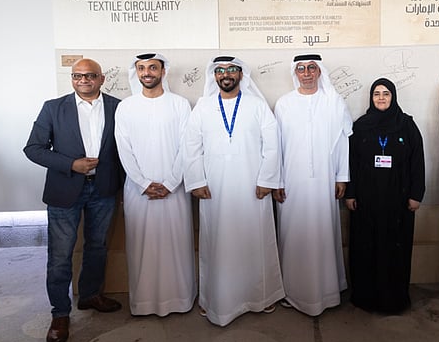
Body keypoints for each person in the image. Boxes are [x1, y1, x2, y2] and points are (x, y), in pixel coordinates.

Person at [24, 58, 123, 342]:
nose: (83, 80)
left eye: (90, 75)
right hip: (64, 189)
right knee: (60, 255)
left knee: (97, 246)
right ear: (72, 79)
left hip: (103, 189)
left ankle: (90, 295)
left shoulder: (118, 107)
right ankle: (60, 314)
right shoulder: (53, 108)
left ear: (101, 78)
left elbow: (126, 148)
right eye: (77, 75)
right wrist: (71, 164)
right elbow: (33, 148)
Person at [182, 56, 285, 326]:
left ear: (240, 74)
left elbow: (272, 145)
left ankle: (261, 297)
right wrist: (196, 181)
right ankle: (214, 299)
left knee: (255, 240)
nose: (225, 74)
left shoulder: (257, 105)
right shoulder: (203, 107)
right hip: (214, 189)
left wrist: (267, 179)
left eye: (231, 70)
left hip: (253, 188)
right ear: (214, 76)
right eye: (220, 71)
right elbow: (191, 147)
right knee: (218, 243)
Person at [114, 53, 196, 317]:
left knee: (176, 245)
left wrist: (171, 182)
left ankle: (181, 300)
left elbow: (187, 146)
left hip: (175, 189)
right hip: (138, 191)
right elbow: (124, 149)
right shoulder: (126, 107)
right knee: (142, 247)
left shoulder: (180, 104)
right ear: (136, 72)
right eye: (141, 68)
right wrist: (143, 183)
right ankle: (144, 303)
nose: (147, 72)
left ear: (163, 71)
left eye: (152, 67)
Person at [273, 53, 353, 316]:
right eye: (301, 68)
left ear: (319, 72)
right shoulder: (284, 104)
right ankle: (294, 292)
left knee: (322, 230)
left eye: (311, 68)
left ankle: (327, 292)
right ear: (295, 72)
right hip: (291, 182)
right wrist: (277, 180)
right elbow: (276, 146)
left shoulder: (333, 102)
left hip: (324, 180)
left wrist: (341, 176)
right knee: (294, 233)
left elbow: (343, 141)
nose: (306, 73)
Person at [344, 78, 425, 313]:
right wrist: (350, 193)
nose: (381, 98)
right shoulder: (360, 127)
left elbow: (417, 161)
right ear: (371, 98)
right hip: (366, 202)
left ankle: (394, 300)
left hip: (398, 202)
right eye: (377, 94)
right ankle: (366, 298)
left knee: (395, 250)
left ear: (393, 97)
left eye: (386, 93)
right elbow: (351, 163)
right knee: (366, 249)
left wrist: (416, 195)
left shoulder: (407, 125)